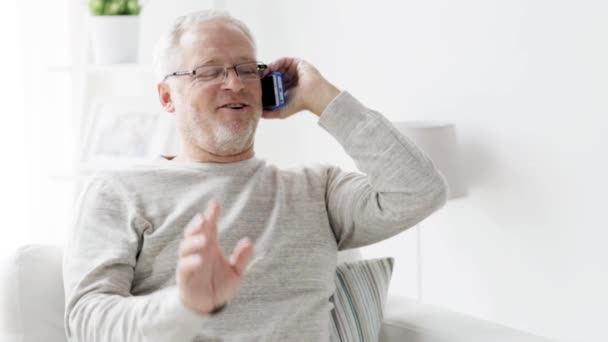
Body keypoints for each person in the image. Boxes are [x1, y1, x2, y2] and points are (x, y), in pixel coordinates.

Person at [62, 9, 448, 342]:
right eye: (210, 71)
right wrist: (183, 306)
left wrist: (322, 98)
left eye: (248, 69)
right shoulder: (119, 191)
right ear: (166, 97)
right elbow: (87, 322)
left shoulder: (317, 189)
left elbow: (420, 191)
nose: (235, 83)